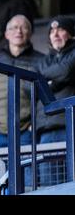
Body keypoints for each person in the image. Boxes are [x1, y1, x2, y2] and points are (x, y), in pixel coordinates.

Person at [0, 15, 44, 147]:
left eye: (24, 27)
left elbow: (43, 98)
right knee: (1, 168)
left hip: (27, 131)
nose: (19, 31)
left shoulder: (41, 61)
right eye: (14, 28)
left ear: (30, 33)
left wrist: (35, 124)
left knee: (28, 167)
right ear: (6, 34)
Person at [36, 16, 75, 186]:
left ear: (72, 34)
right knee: (49, 186)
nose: (56, 34)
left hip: (70, 127)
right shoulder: (42, 61)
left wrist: (46, 81)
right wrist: (51, 78)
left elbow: (65, 70)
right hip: (46, 130)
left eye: (61, 29)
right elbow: (32, 86)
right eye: (52, 31)